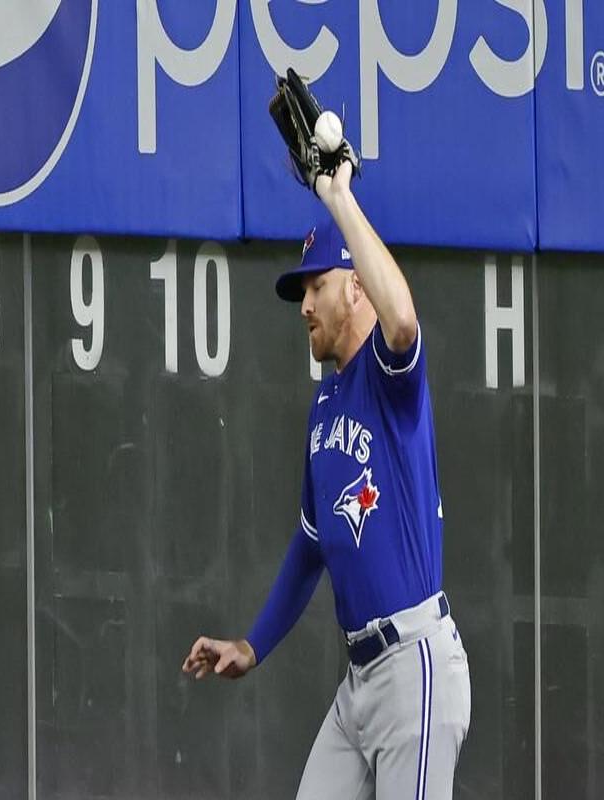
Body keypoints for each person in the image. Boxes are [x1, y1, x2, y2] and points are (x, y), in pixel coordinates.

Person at [182, 161, 471, 799]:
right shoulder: (325, 403)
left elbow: (402, 323)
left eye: (316, 286)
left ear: (357, 288)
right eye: (302, 292)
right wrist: (252, 645)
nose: (304, 304)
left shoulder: (387, 378)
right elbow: (313, 541)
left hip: (413, 668)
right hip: (362, 683)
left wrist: (339, 197)